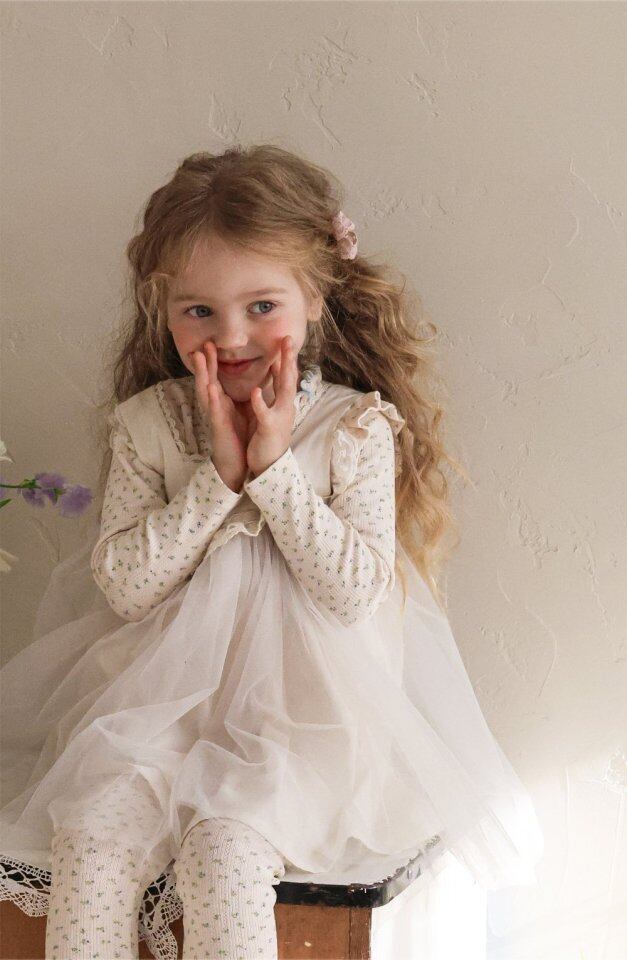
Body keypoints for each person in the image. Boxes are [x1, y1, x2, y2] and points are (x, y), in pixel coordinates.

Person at [0, 144, 544, 960]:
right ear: (162, 310)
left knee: (224, 853)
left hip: (304, 735)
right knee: (93, 844)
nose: (231, 336)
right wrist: (217, 478)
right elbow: (126, 586)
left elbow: (353, 590)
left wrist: (271, 469)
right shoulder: (150, 425)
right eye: (198, 311)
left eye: (261, 306)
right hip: (152, 721)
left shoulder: (352, 427)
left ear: (314, 297)